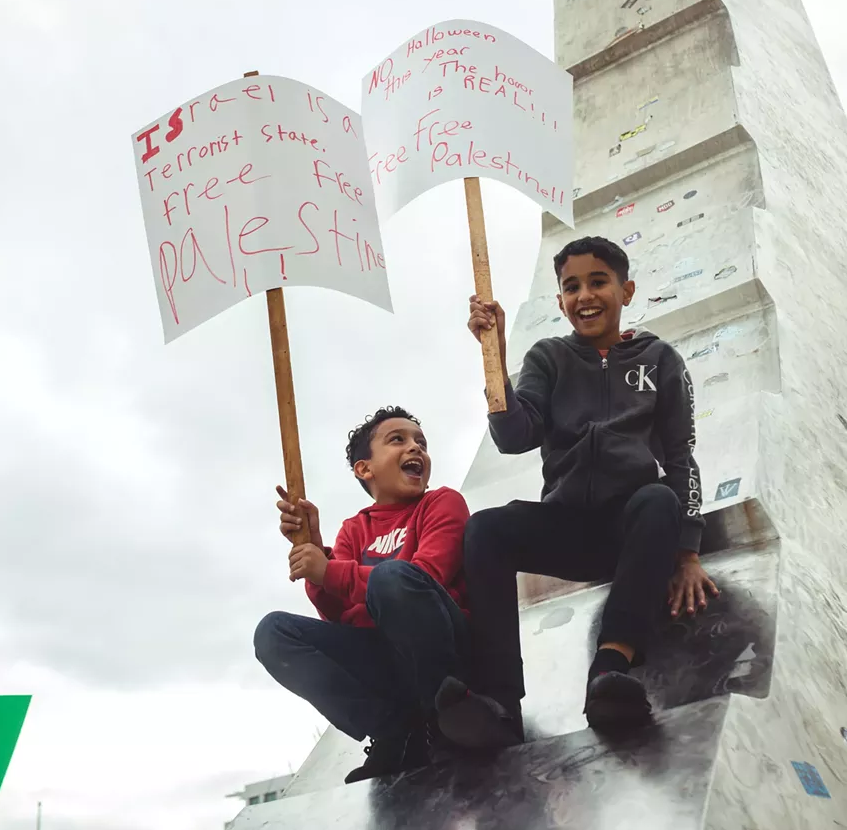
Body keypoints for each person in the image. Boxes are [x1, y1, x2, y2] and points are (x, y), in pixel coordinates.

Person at [434, 235, 719, 749]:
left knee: (660, 498)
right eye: (570, 287)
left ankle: (611, 669)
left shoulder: (660, 359)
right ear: (560, 300)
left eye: (597, 282)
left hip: (630, 530)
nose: (584, 295)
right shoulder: (548, 357)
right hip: (566, 526)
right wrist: (494, 358)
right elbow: (514, 436)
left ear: (625, 290)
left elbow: (681, 455)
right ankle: (500, 702)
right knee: (485, 528)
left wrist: (688, 552)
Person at [254, 406, 471, 783]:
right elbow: (338, 615)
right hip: (382, 659)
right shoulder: (354, 529)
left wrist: (332, 570)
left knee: (394, 578)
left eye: (421, 442)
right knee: (273, 632)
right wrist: (316, 548)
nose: (415, 449)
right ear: (365, 469)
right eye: (398, 440)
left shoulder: (442, 503)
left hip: (441, 654)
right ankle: (391, 731)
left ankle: (444, 719)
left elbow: (425, 581)